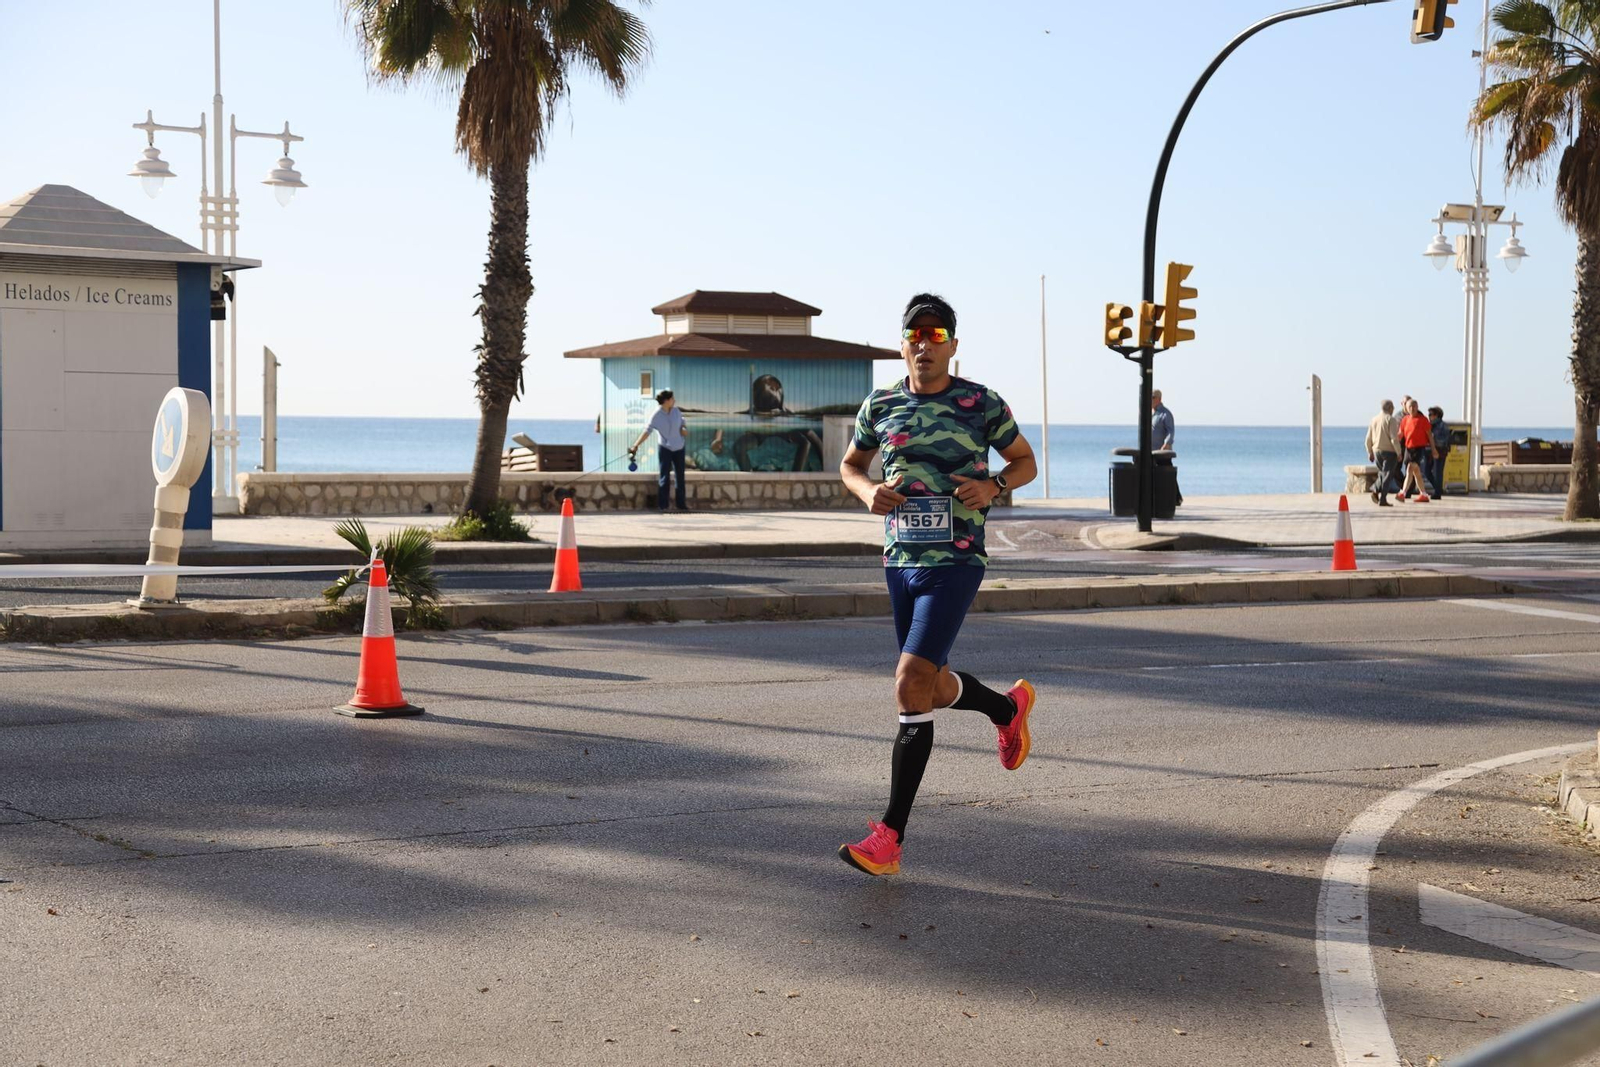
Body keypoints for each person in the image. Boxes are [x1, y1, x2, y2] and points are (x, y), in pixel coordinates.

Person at [836, 292, 1040, 877]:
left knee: (908, 683)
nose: (925, 344)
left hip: (956, 559)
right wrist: (866, 491)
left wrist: (995, 486)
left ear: (952, 345)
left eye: (936, 334)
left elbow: (1024, 461)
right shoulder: (880, 404)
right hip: (900, 559)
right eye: (915, 334)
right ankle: (1006, 708)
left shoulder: (980, 402)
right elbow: (851, 466)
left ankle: (889, 838)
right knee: (928, 684)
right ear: (903, 345)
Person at [628, 390, 689, 512]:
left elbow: (683, 424)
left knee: (680, 477)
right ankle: (663, 505)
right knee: (664, 476)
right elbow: (647, 431)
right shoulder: (656, 415)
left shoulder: (676, 411)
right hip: (665, 448)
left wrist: (684, 429)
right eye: (672, 399)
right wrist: (636, 445)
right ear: (666, 401)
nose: (674, 400)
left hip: (679, 447)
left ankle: (681, 505)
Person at [1396, 399, 1434, 502]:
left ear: (1417, 407)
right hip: (1408, 449)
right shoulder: (1405, 420)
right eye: (1410, 407)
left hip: (1419, 448)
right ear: (1406, 408)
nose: (1412, 409)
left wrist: (1433, 449)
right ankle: (1424, 494)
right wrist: (1392, 443)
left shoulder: (1423, 420)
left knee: (1409, 468)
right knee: (1416, 472)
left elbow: (1430, 436)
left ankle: (1403, 493)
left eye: (1414, 406)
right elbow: (1400, 434)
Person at [1365, 399, 1400, 507]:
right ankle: (1383, 498)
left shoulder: (1374, 419)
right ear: (1390, 408)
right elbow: (1394, 438)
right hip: (1389, 451)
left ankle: (1375, 490)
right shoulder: (1391, 419)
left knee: (1382, 473)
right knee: (1387, 475)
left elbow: (1368, 438)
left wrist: (1369, 451)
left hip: (1377, 451)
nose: (1393, 409)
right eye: (1393, 407)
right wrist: (1399, 452)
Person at [1150, 389, 1182, 506]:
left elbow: (1170, 431)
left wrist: (1167, 443)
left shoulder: (1165, 414)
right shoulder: (1153, 414)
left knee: (1168, 475)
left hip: (1162, 452)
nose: (1150, 400)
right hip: (1152, 451)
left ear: (1159, 399)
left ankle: (1176, 498)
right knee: (1157, 475)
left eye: (1152, 398)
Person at [1428, 406, 1451, 497]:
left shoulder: (1442, 426)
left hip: (1440, 452)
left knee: (1438, 472)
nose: (1429, 417)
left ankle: (1437, 492)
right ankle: (1438, 488)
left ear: (1437, 415)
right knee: (1427, 471)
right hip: (1431, 452)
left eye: (1431, 414)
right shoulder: (1431, 425)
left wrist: (1433, 444)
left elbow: (1443, 441)